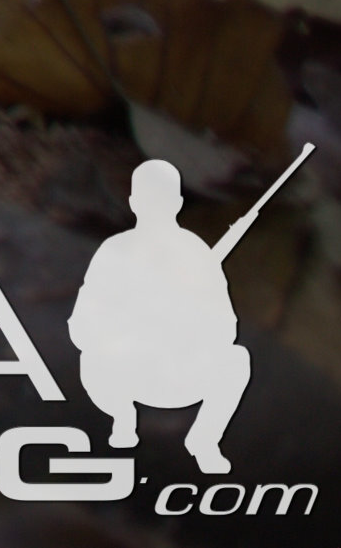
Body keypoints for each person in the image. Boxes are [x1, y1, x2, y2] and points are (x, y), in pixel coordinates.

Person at [73, 157, 257, 472]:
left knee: (237, 360)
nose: (154, 206)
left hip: (181, 370)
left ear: (178, 202)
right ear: (133, 201)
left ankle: (204, 439)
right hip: (126, 370)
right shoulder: (113, 252)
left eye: (163, 197)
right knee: (91, 360)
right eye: (147, 197)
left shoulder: (197, 253)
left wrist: (191, 317)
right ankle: (122, 419)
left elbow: (226, 327)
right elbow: (81, 325)